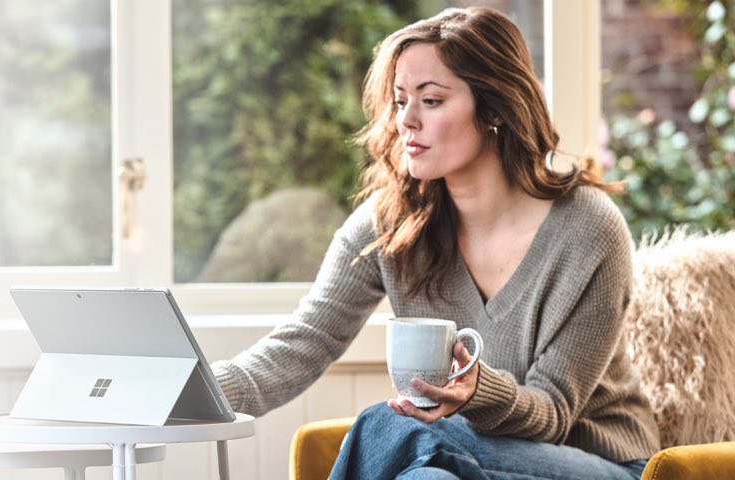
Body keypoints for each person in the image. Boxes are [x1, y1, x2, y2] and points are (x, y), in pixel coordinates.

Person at [206, 7, 659, 479]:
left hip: (597, 463)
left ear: (494, 110)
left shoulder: (588, 228)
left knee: (391, 426)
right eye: (401, 101)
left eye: (432, 101)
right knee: (427, 475)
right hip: (461, 459)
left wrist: (477, 390)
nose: (406, 121)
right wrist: (194, 391)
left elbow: (553, 413)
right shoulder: (393, 221)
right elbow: (305, 341)